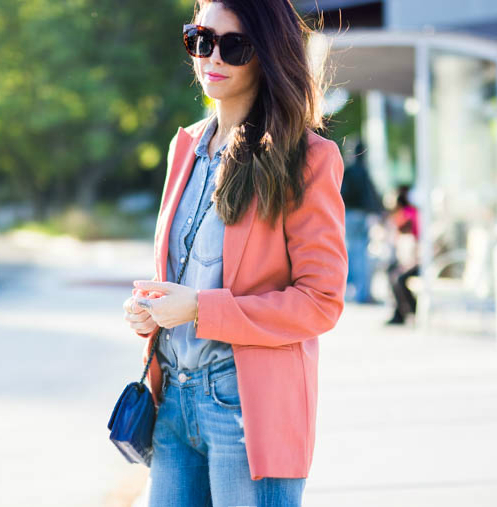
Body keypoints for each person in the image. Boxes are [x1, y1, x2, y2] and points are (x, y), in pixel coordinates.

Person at [122, 1, 348, 505]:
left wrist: (201, 309)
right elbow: (184, 271)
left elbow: (321, 301)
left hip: (247, 408)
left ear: (266, 54)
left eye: (234, 45)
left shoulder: (307, 159)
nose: (211, 57)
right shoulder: (185, 146)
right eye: (201, 39)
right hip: (174, 402)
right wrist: (154, 311)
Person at [340, 140, 384, 303]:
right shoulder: (363, 171)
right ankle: (362, 293)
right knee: (361, 254)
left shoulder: (347, 170)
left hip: (348, 215)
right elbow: (370, 193)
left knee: (349, 253)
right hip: (360, 215)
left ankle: (348, 292)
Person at [385, 184, 420, 325]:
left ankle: (409, 310)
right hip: (409, 256)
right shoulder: (410, 212)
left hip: (416, 257)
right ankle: (399, 311)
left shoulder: (408, 214)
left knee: (398, 277)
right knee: (391, 272)